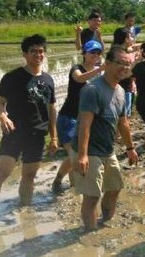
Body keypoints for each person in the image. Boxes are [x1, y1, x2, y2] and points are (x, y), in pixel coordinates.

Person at [0, 34, 58, 220]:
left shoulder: (48, 80)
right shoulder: (12, 77)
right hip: (14, 133)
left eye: (41, 51)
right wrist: (2, 117)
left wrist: (54, 137)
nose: (38, 55)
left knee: (30, 175)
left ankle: (25, 209)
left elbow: (51, 109)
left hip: (37, 134)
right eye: (33, 51)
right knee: (1, 173)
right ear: (24, 54)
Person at [72, 46, 139, 231]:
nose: (124, 67)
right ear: (107, 64)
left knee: (115, 188)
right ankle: (91, 234)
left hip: (108, 151)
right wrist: (82, 155)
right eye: (120, 63)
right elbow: (84, 125)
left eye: (128, 64)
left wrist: (130, 148)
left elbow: (123, 123)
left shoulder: (120, 91)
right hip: (91, 151)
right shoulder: (92, 89)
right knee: (92, 196)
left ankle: (105, 224)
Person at [52, 40, 105, 193]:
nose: (95, 55)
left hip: (84, 120)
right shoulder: (76, 69)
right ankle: (76, 189)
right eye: (92, 52)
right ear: (84, 54)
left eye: (98, 53)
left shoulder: (99, 72)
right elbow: (80, 78)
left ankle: (60, 180)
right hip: (68, 118)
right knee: (76, 156)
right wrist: (99, 70)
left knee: (75, 154)